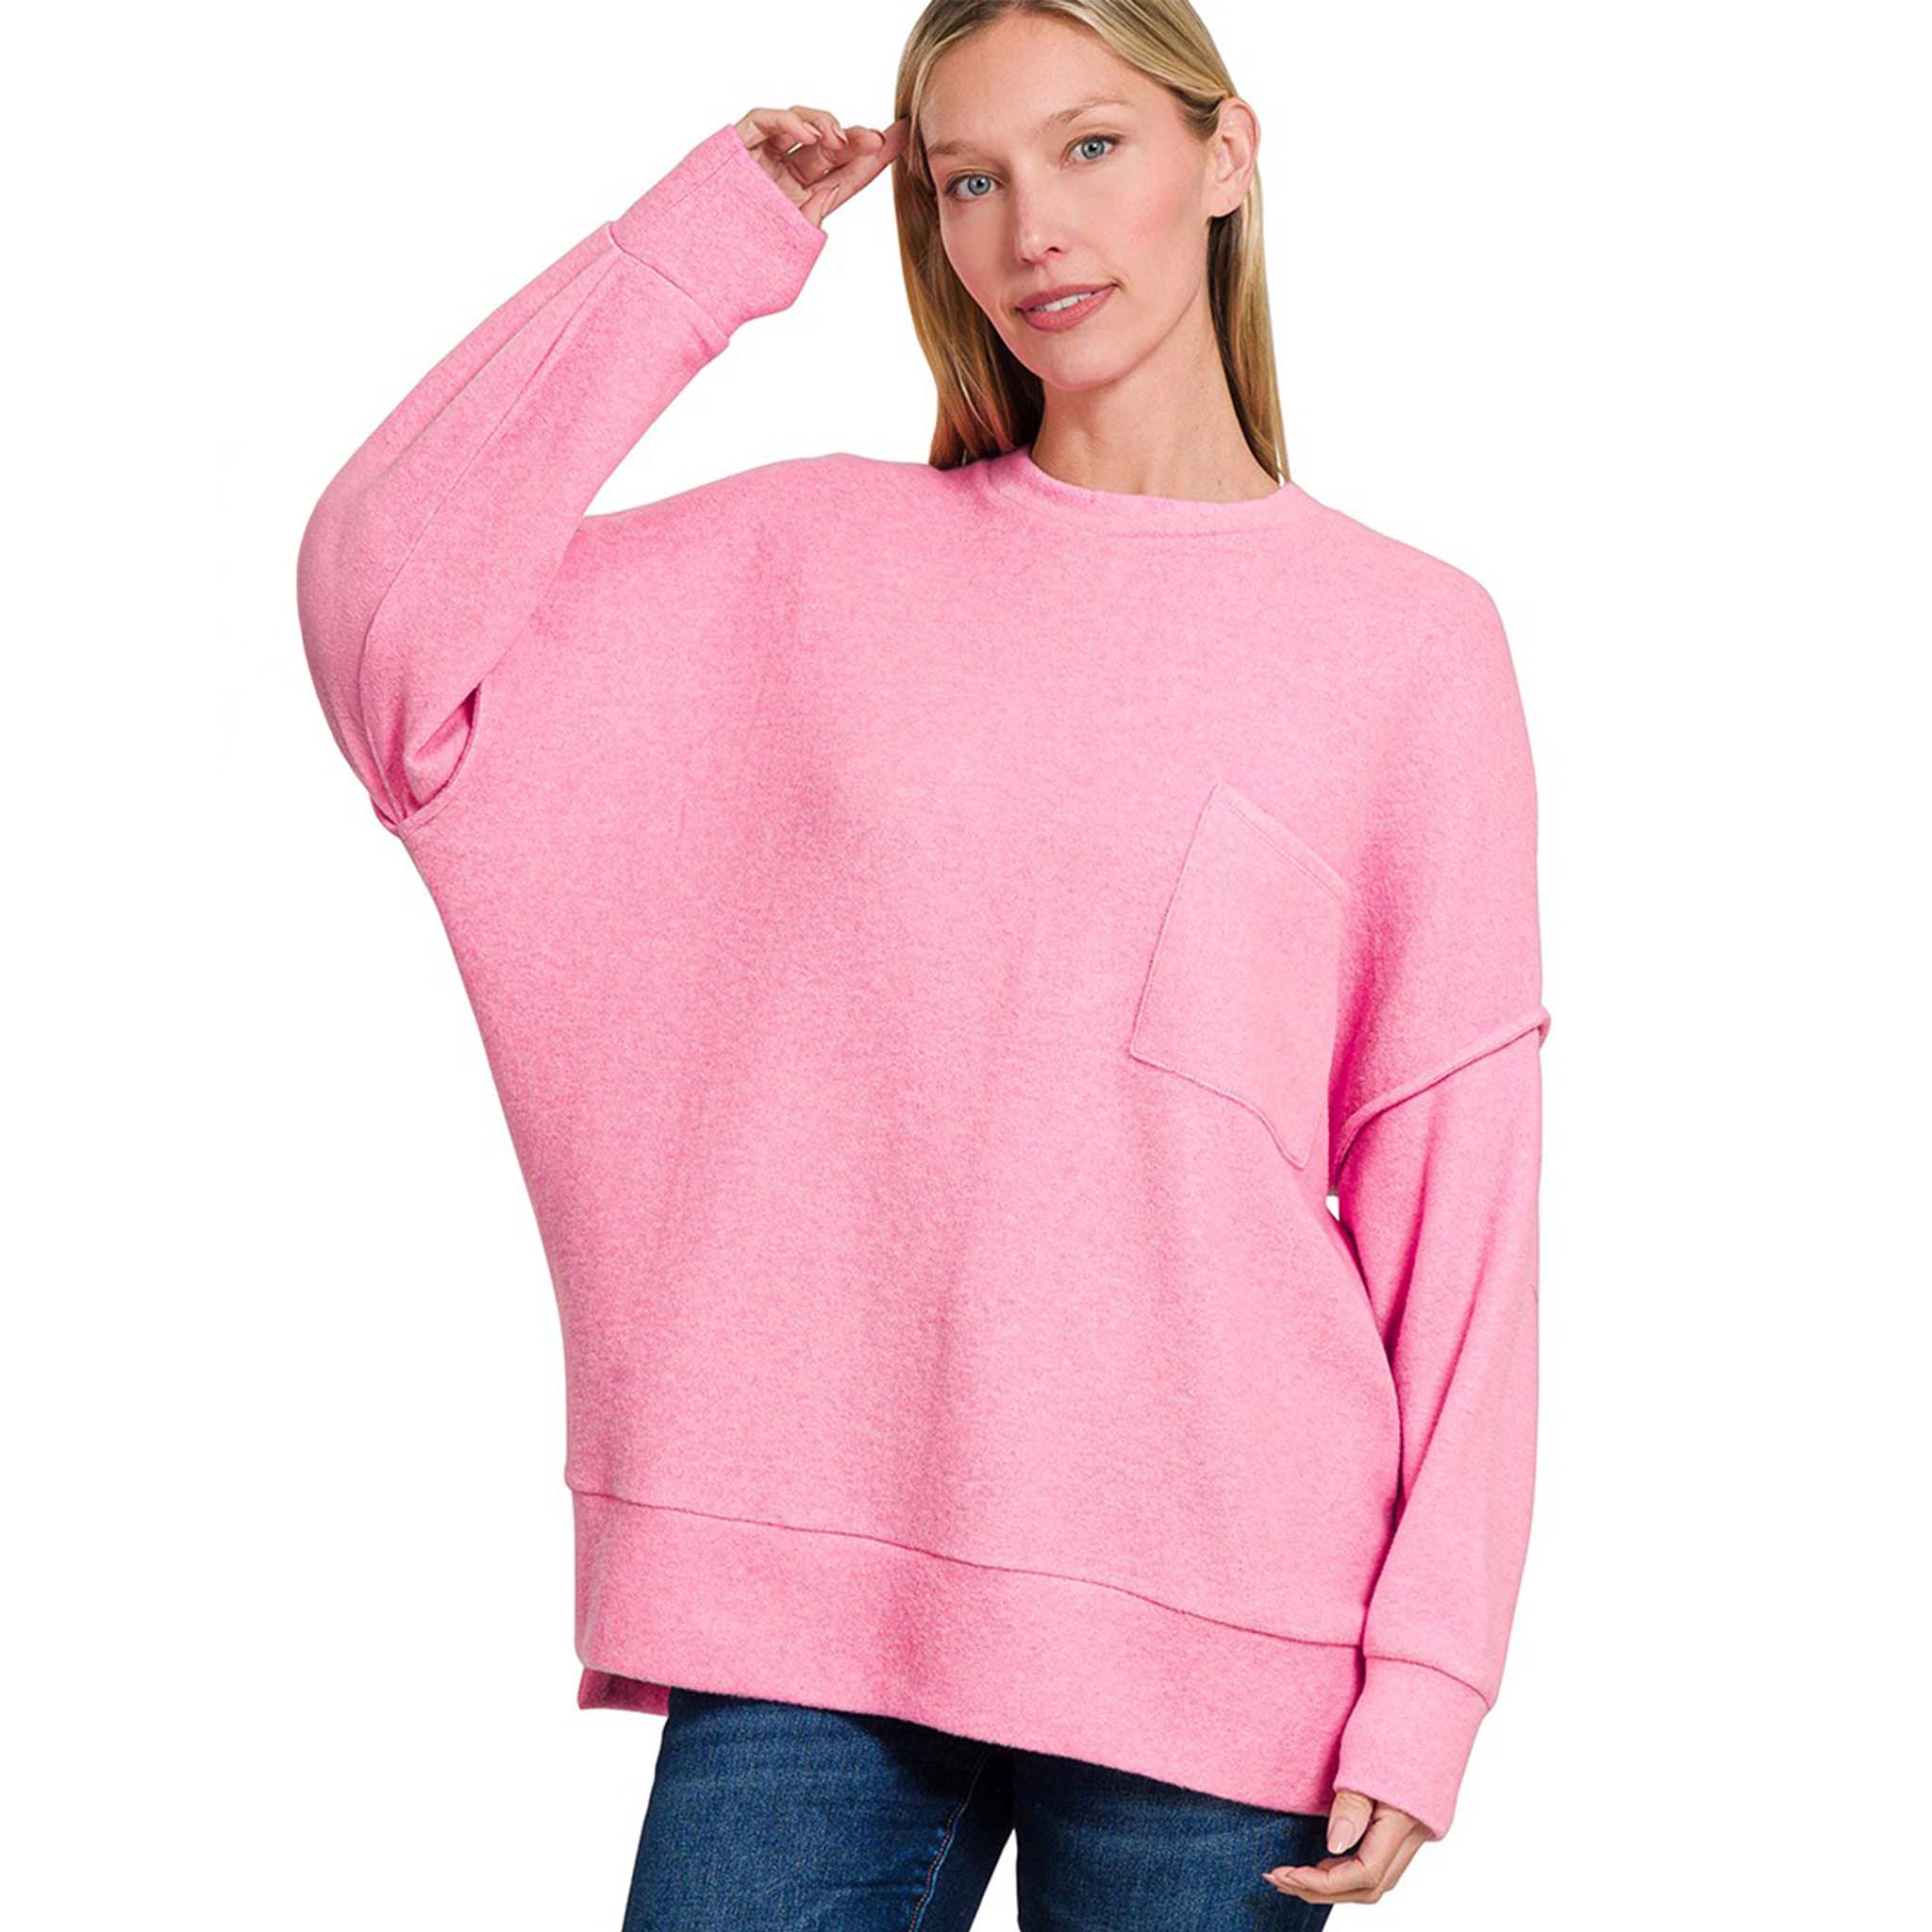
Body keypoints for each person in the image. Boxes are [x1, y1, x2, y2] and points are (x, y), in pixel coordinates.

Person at [294, 1, 1549, 1922]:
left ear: (1226, 155)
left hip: (1226, 1623)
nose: (1033, 228)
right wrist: (695, 252)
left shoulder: (1410, 643)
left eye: (1091, 147)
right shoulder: (818, 561)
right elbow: (391, 626)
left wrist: (1432, 1675)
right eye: (969, 180)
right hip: (815, 1590)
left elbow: (1455, 1192)